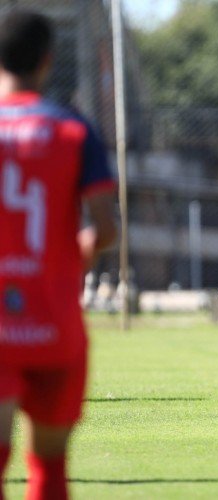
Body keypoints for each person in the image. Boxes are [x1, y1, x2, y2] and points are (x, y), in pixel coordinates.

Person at [0, 9, 118, 499]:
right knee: (48, 467)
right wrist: (75, 256)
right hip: (54, 323)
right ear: (48, 61)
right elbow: (106, 228)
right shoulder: (74, 131)